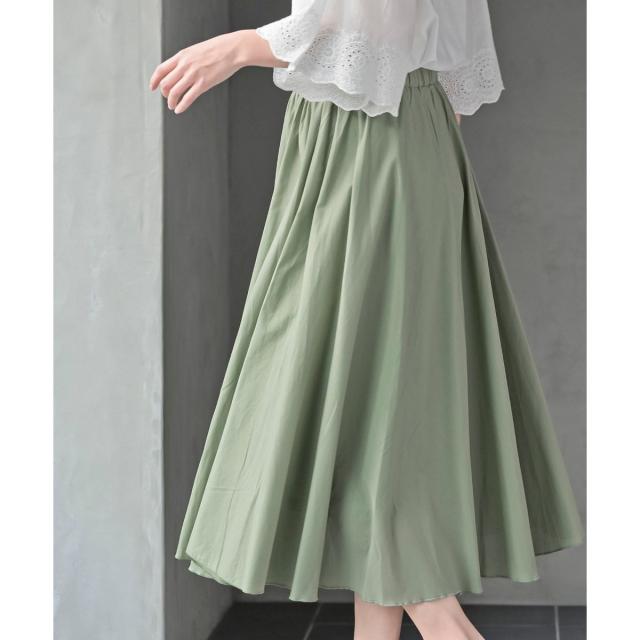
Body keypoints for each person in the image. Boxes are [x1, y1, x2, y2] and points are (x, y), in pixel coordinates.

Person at [150, 2, 584, 639]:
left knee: (361, 414)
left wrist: (241, 46)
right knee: (379, 410)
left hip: (365, 143)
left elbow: (375, 26)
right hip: (394, 135)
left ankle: (442, 619)